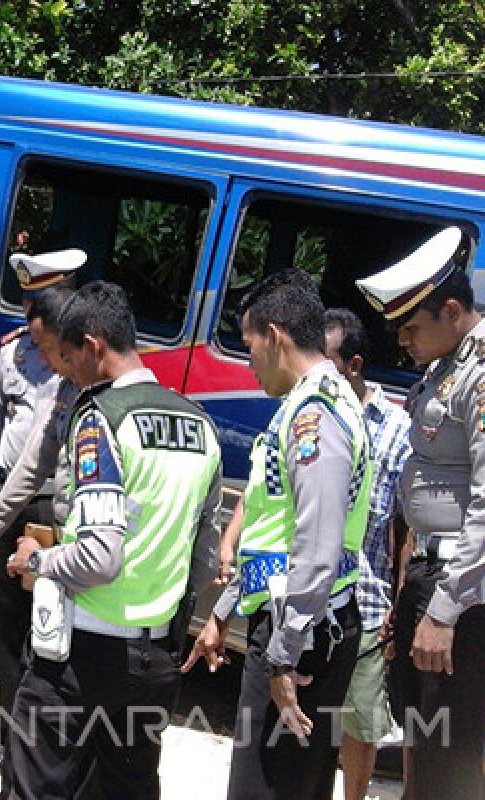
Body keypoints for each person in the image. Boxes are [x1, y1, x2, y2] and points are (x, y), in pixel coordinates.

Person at [0, 281, 222, 800]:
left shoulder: (100, 418)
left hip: (81, 657)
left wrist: (39, 559)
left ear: (94, 345)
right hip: (155, 659)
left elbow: (100, 556)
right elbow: (204, 557)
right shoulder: (199, 423)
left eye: (70, 357)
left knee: (36, 787)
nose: (67, 371)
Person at [186, 269, 371, 800]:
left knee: (267, 789)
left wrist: (284, 656)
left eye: (248, 346)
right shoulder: (305, 406)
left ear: (273, 335)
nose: (248, 362)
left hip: (305, 635)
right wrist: (223, 615)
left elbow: (316, 549)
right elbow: (274, 533)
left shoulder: (317, 417)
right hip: (295, 622)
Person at [356, 226, 485, 799]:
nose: (402, 339)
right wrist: (410, 587)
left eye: (412, 325)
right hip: (429, 579)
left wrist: (445, 610)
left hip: (459, 592)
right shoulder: (444, 367)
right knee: (419, 740)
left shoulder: (479, 374)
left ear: (452, 310)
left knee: (447, 757)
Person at [0, 251, 78, 779]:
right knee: (7, 630)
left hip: (59, 507)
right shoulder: (13, 355)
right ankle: (9, 737)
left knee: (51, 629)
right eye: (30, 301)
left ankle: (44, 742)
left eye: (43, 300)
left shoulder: (79, 358)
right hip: (12, 499)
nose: (33, 313)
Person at [323, 308, 412, 800]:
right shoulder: (312, 414)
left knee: (360, 723)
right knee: (309, 718)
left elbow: (405, 529)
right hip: (313, 598)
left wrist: (399, 605)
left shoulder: (397, 429)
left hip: (368, 603)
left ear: (354, 364)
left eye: (328, 362)